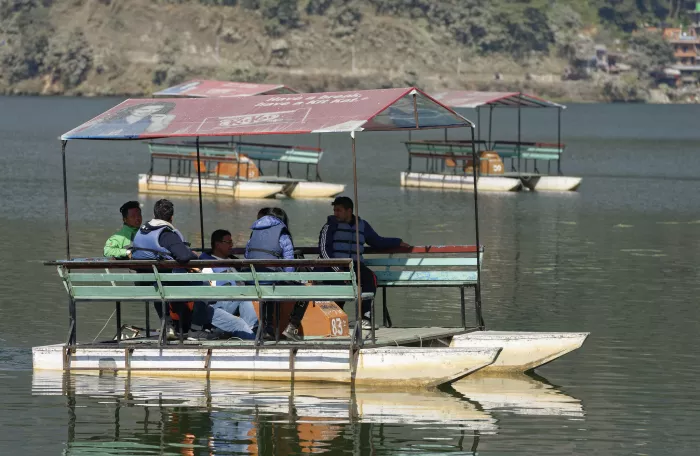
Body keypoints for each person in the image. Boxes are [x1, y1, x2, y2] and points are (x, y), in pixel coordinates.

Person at [319, 196, 410, 329]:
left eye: (339, 210)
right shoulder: (329, 226)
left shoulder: (362, 225)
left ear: (349, 211)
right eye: (335, 210)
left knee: (371, 279)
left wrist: (397, 242)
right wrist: (336, 268)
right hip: (335, 265)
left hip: (355, 266)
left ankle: (365, 317)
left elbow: (377, 241)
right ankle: (335, 318)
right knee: (341, 285)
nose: (335, 213)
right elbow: (323, 249)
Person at [245, 207, 307, 341]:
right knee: (304, 291)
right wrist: (288, 278)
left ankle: (268, 329)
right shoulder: (282, 233)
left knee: (267, 291)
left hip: (253, 280)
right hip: (273, 280)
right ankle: (292, 327)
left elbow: (247, 255)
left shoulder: (254, 231)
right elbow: (289, 263)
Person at [199, 229, 258, 340]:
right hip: (216, 305)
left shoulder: (234, 263)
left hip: (233, 301)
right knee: (239, 323)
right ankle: (252, 341)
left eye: (232, 242)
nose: (231, 245)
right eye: (228, 242)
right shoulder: (207, 264)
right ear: (217, 244)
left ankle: (253, 329)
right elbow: (207, 293)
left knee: (246, 298)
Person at [71, 101, 176, 138]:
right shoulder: (113, 118)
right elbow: (88, 128)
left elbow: (155, 130)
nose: (146, 111)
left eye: (152, 111)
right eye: (146, 108)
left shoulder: (146, 124)